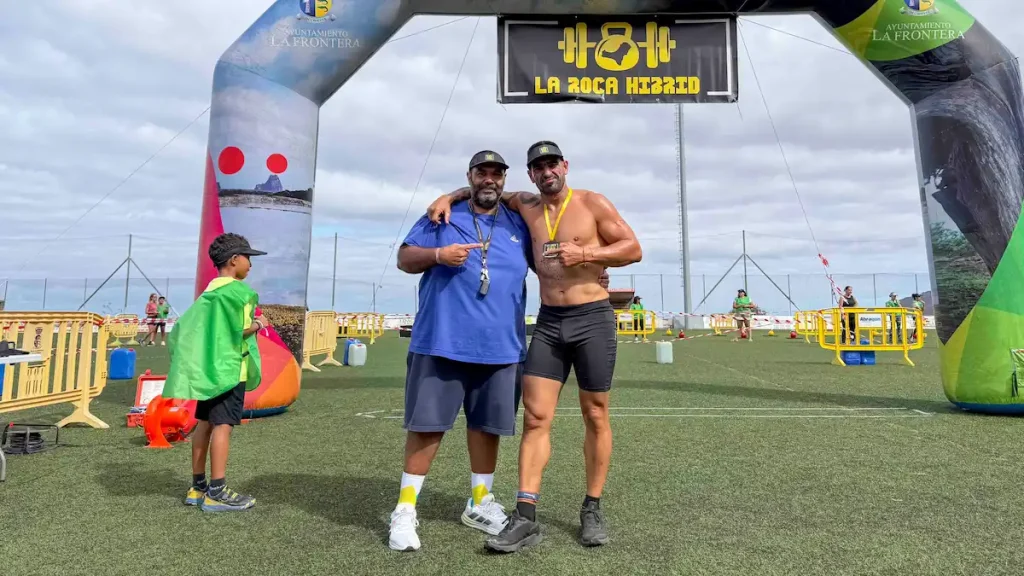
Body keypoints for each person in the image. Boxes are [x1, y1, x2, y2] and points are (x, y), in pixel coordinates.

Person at [426, 140, 642, 552]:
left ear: (565, 166)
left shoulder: (593, 203)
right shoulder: (526, 204)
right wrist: (447, 196)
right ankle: (526, 516)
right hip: (549, 322)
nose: (546, 172)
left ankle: (592, 508)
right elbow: (484, 189)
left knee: (595, 412)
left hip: (592, 319)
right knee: (536, 418)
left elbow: (633, 248)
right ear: (530, 174)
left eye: (552, 164)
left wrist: (587, 253)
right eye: (538, 167)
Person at [387, 150, 533, 552]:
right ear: (470, 176)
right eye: (482, 172)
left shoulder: (517, 221)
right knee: (427, 426)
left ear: (504, 180)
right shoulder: (442, 217)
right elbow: (404, 258)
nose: (490, 179)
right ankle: (405, 509)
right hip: (442, 341)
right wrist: (438, 255)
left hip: (502, 347)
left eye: (496, 173)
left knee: (487, 427)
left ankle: (480, 502)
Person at [163, 232, 270, 513]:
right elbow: (239, 331)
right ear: (234, 260)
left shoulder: (208, 292)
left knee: (204, 423)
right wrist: (259, 324)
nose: (250, 264)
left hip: (209, 371)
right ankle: (217, 491)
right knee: (223, 425)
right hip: (230, 370)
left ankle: (197, 487)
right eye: (247, 258)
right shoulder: (240, 293)